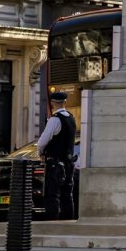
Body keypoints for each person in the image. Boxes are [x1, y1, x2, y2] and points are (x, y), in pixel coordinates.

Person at [38, 90, 77, 220]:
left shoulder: (54, 120)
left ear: (53, 103)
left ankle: (52, 222)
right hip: (69, 163)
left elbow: (42, 142)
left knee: (52, 194)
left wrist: (41, 152)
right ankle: (68, 222)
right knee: (67, 195)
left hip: (55, 163)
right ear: (65, 102)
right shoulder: (71, 118)